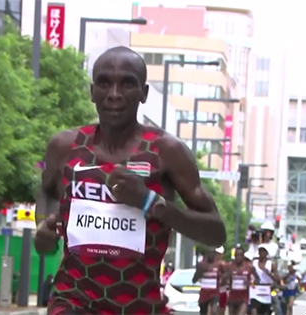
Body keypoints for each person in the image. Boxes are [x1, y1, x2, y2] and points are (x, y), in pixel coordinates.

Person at [33, 46, 227, 315]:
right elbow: (48, 193)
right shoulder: (64, 146)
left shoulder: (166, 151)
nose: (114, 95)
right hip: (73, 300)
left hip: (139, 305)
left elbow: (216, 232)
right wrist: (44, 228)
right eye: (104, 83)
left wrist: (150, 201)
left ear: (143, 93)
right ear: (92, 91)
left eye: (127, 84)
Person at [193, 248, 227, 315]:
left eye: (213, 253)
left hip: (215, 293)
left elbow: (226, 274)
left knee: (214, 311)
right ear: (206, 254)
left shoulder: (220, 265)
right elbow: (194, 280)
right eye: (209, 253)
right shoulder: (201, 265)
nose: (211, 255)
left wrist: (223, 279)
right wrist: (199, 272)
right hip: (204, 294)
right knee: (203, 312)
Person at [250, 244, 280, 315]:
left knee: (266, 311)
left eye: (263, 251)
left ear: (266, 253)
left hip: (266, 292)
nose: (261, 253)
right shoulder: (254, 263)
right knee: (254, 308)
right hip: (255, 290)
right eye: (260, 251)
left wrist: (269, 274)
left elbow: (278, 280)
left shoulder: (271, 265)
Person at [227, 247, 257, 315]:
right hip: (232, 296)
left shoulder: (249, 267)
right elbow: (224, 278)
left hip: (244, 297)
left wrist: (251, 283)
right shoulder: (230, 266)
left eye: (240, 255)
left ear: (243, 256)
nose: (238, 257)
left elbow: (257, 279)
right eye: (236, 255)